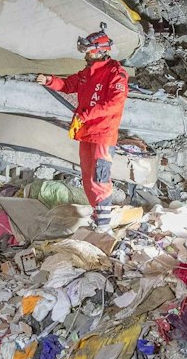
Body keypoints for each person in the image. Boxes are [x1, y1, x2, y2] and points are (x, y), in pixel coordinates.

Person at [42, 26, 130, 229]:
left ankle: (104, 225)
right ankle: (98, 219)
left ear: (101, 51)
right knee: (88, 179)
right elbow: (68, 85)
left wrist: (85, 115)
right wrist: (49, 81)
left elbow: (114, 104)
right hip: (86, 132)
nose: (86, 56)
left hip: (103, 134)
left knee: (99, 178)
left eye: (88, 51)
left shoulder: (116, 74)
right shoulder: (87, 73)